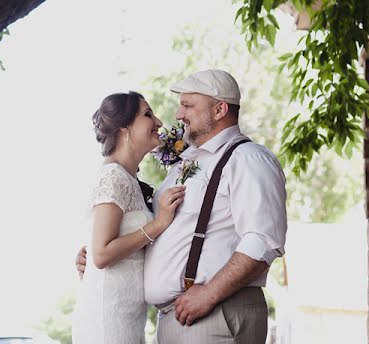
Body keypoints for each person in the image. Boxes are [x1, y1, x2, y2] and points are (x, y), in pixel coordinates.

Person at [76, 69, 288, 344]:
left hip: (214, 313)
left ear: (219, 109)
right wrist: (99, 257)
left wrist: (210, 293)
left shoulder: (247, 159)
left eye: (188, 105)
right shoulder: (186, 164)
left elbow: (263, 239)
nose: (177, 115)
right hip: (177, 319)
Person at [71, 91, 187, 344]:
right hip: (108, 316)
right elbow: (101, 255)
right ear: (124, 128)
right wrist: (158, 224)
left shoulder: (129, 180)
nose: (158, 122)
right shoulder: (112, 176)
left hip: (128, 314)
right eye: (147, 115)